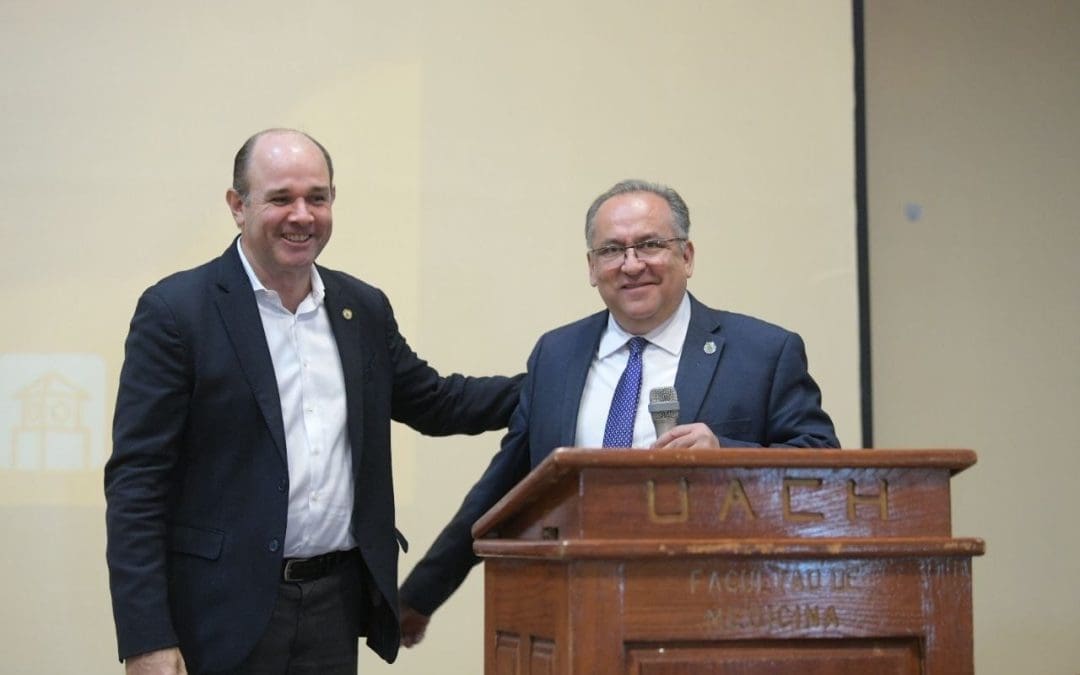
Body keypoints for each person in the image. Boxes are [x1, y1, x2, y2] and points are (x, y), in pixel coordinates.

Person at [104, 128, 522, 674]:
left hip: (334, 607)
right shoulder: (177, 312)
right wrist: (146, 638)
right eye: (281, 198)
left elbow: (437, 402)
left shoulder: (361, 308)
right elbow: (137, 483)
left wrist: (562, 379)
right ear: (238, 206)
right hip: (219, 612)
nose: (302, 215)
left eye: (317, 198)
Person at [397, 179, 839, 646]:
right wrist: (421, 596)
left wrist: (726, 454)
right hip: (581, 616)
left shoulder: (763, 352)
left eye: (649, 245)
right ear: (592, 267)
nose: (632, 265)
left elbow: (823, 468)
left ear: (686, 256)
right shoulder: (557, 354)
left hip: (714, 619)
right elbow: (505, 487)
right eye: (612, 250)